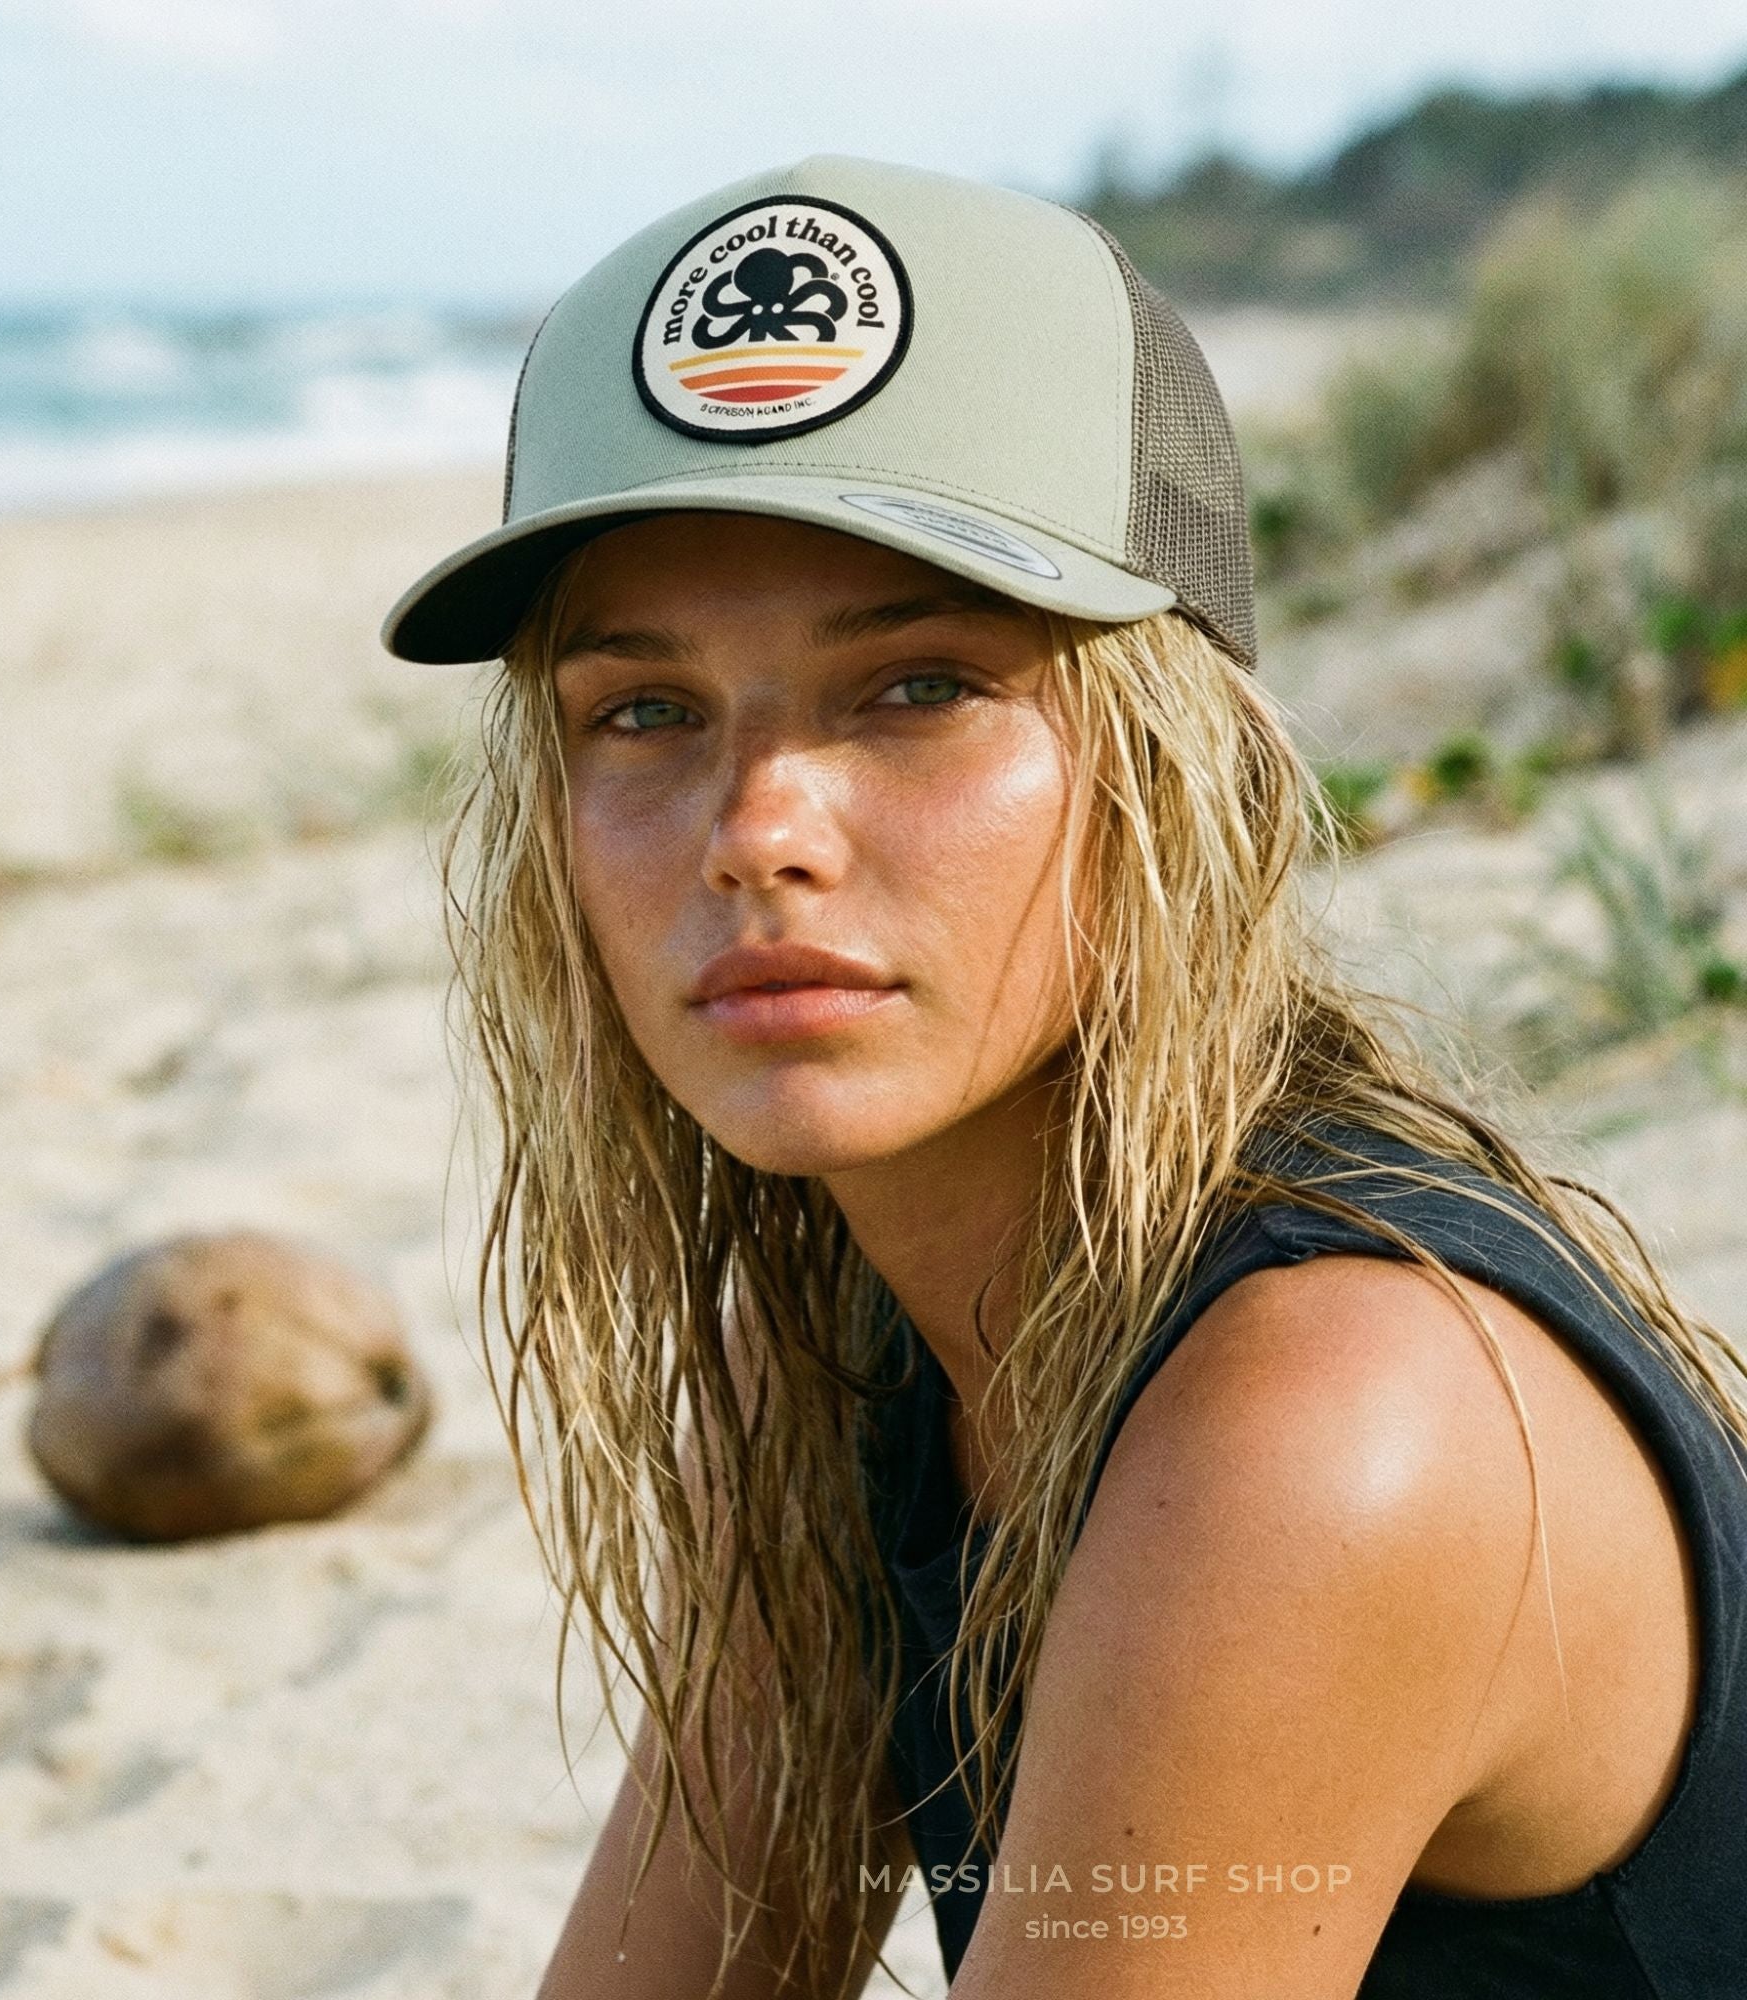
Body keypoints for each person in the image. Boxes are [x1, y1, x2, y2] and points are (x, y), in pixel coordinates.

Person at [379, 156, 1747, 1999]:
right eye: (645, 711)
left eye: (920, 687)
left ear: (1183, 767)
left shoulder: (1325, 1413)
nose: (756, 828)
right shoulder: (853, 1358)